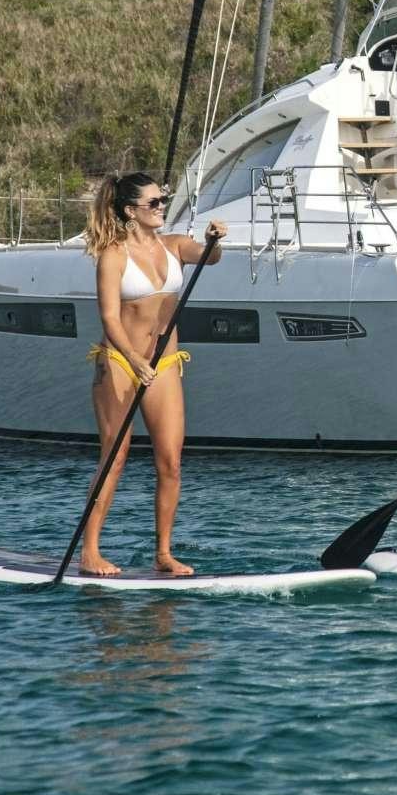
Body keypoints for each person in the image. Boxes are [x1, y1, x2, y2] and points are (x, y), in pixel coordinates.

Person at [80, 172, 226, 576]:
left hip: (163, 363)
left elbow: (209, 257)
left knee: (171, 462)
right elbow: (109, 317)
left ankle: (163, 554)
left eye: (163, 200)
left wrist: (216, 241)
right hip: (120, 361)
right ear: (130, 211)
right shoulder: (113, 255)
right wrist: (133, 357)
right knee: (115, 457)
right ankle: (90, 551)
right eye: (154, 203)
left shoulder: (175, 246)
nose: (162, 206)